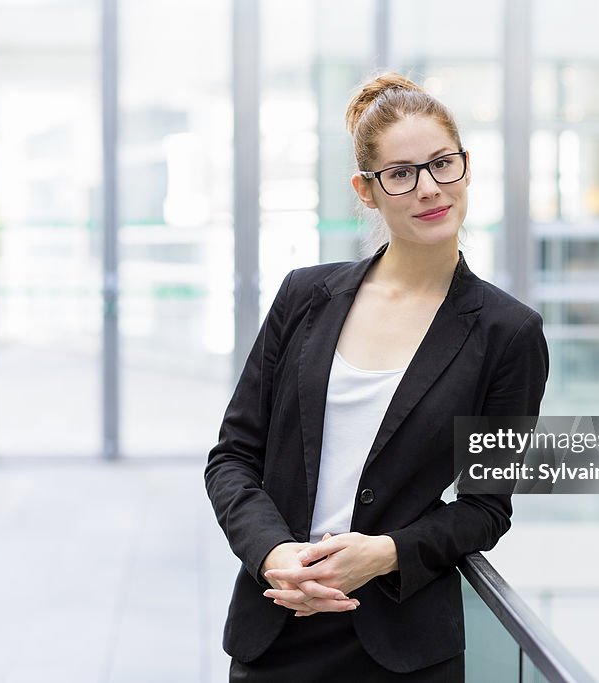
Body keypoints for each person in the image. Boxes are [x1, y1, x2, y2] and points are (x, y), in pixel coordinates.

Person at [205, 72, 550, 682]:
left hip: (403, 644)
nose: (428, 188)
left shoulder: (507, 333)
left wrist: (383, 553)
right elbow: (233, 456)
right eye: (401, 173)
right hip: (279, 624)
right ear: (367, 191)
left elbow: (486, 509)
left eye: (443, 163)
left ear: (466, 167)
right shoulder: (304, 298)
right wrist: (274, 554)